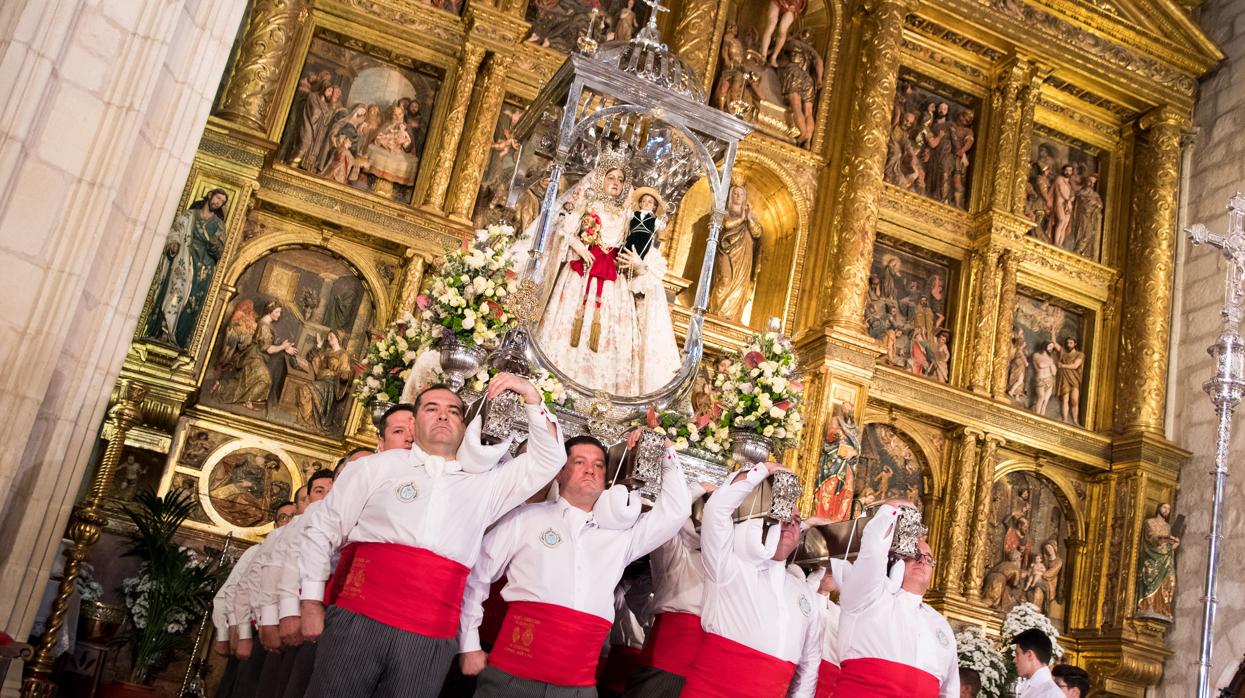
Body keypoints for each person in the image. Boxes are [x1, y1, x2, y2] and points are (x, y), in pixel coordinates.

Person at [298, 375, 565, 697]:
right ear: (412, 423)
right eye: (431, 408)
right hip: (359, 619)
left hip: (431, 635)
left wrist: (532, 397)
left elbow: (549, 460)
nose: (442, 415)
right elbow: (323, 528)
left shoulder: (486, 486)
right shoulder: (377, 468)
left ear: (465, 424)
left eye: (453, 411)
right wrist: (311, 600)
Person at [457, 433, 691, 696]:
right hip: (512, 676)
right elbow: (475, 577)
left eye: (599, 465)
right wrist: (468, 643)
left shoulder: (622, 538)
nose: (590, 469)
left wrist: (665, 450)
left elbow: (676, 511)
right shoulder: (526, 519)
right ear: (559, 472)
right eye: (579, 462)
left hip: (579, 687)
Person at [680, 461, 821, 698]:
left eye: (796, 521)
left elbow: (809, 664)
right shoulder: (729, 566)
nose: (788, 524)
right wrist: (762, 470)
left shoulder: (804, 593)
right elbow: (717, 511)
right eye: (780, 515)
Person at [834, 502, 959, 697]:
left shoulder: (940, 625)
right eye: (915, 554)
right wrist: (890, 509)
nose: (921, 561)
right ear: (896, 558)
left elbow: (949, 692)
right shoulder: (868, 596)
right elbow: (873, 552)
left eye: (928, 559)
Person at [623, 486, 715, 697]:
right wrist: (699, 488)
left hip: (706, 672)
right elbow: (665, 517)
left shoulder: (726, 561)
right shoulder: (676, 551)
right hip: (666, 664)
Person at [211, 505, 292, 698]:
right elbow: (233, 589)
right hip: (250, 629)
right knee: (238, 687)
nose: (288, 522)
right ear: (274, 524)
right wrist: (227, 631)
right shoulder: (259, 549)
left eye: (292, 516)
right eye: (283, 518)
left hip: (279, 633)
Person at [143, 189, 229, 349]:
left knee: (190, 301)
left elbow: (219, 251)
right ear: (210, 195)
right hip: (183, 258)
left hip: (201, 268)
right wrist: (174, 243)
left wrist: (214, 244)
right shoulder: (188, 216)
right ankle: (164, 330)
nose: (218, 203)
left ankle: (176, 335)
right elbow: (175, 231)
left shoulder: (218, 225)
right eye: (217, 198)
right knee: (175, 292)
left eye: (222, 202)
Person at [1013, 628, 1059, 697]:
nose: (1014, 660)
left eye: (1017, 654)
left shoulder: (1051, 694)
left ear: (1029, 655)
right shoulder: (1031, 687)